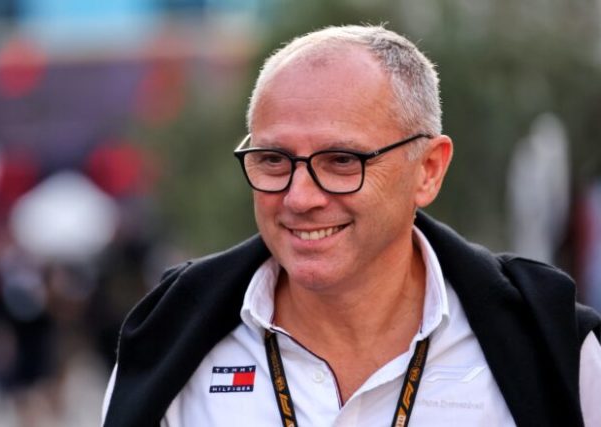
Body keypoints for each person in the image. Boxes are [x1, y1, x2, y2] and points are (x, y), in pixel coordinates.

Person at [101, 25, 601, 427]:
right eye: (273, 160)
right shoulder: (170, 341)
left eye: (342, 161)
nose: (300, 198)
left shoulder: (551, 344)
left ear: (428, 170)